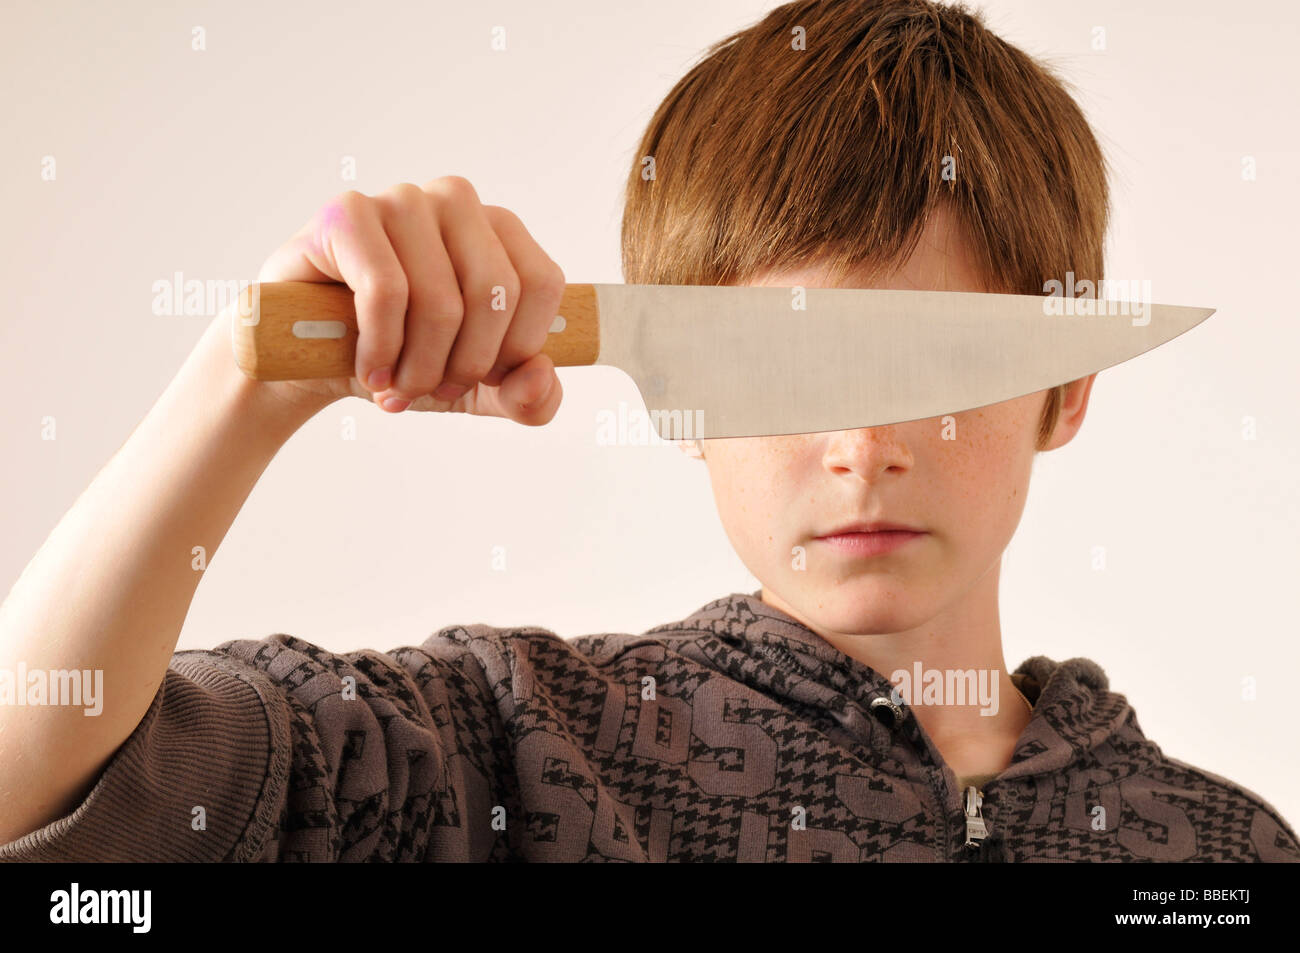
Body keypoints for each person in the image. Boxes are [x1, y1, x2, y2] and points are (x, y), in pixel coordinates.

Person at [1, 0, 1295, 862]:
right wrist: (244, 390)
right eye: (785, 366)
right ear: (684, 404)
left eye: (937, 361)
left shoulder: (1223, 853)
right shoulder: (502, 742)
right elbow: (35, 791)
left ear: (1067, 390)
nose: (860, 441)